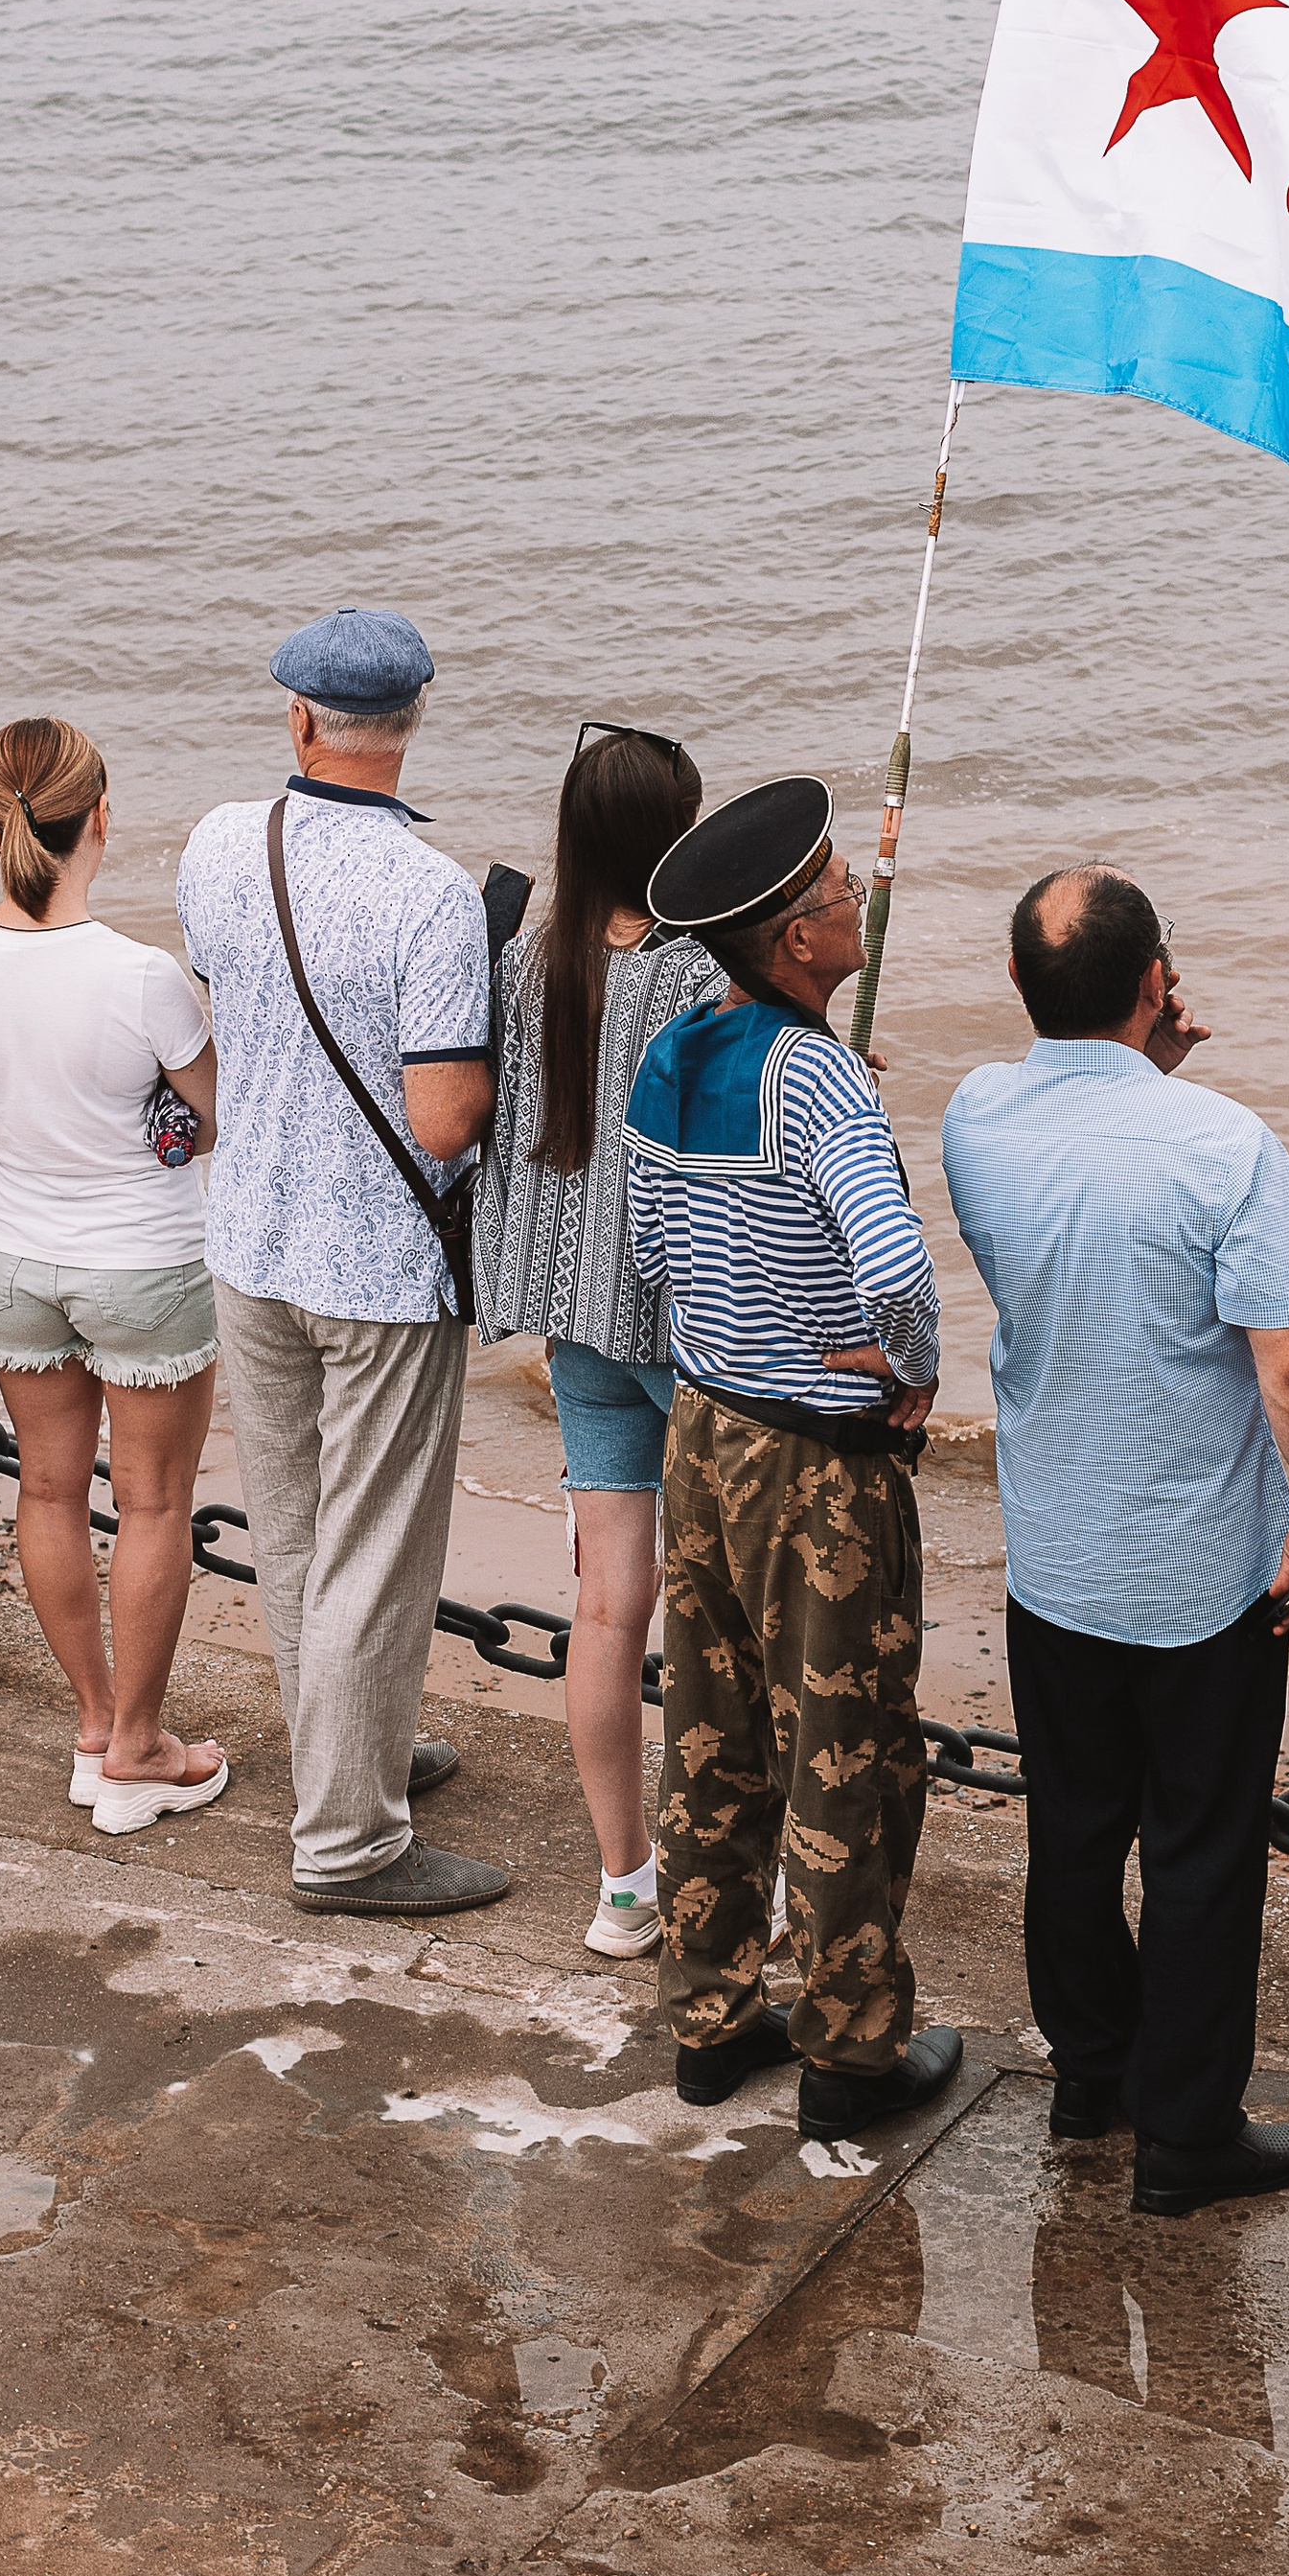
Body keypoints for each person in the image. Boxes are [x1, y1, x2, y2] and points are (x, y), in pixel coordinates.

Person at [942, 868, 1289, 2219]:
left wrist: (1142, 1063)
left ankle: (1090, 2072)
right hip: (1194, 1568)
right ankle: (1184, 2134)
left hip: (1057, 1541)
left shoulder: (975, 1112)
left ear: (1017, 990)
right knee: (1200, 1847)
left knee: (1073, 1828)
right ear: (1158, 983)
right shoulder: (1224, 1145)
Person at [623, 776, 962, 2138]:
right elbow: (892, 1268)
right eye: (835, 891)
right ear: (790, 944)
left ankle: (708, 2017)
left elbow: (651, 1252)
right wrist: (913, 1364)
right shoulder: (816, 1074)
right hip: (818, 1468)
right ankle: (851, 2053)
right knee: (846, 1753)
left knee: (709, 1736)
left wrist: (735, 1312)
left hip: (702, 1437)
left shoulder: (675, 1053)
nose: (855, 899)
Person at [175, 607, 506, 1917]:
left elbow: (230, 998)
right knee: (377, 1545)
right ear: (413, 726)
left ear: (300, 720)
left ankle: (346, 1753)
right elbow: (441, 1119)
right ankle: (351, 1844)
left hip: (250, 1237)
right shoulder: (433, 895)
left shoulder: (217, 841)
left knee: (300, 1530)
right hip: (376, 1268)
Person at [0, 718, 228, 1837]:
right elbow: (211, 1118)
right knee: (151, 1503)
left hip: (12, 1259)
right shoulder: (139, 975)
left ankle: (98, 1728)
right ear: (101, 817)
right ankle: (145, 1755)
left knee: (47, 1492)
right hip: (139, 1263)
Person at [472, 721, 723, 1956]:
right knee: (727, 1611)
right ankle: (741, 1876)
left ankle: (625, 1882)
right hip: (683, 1321)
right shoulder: (696, 975)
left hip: (572, 1314)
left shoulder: (530, 957)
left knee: (606, 1604)